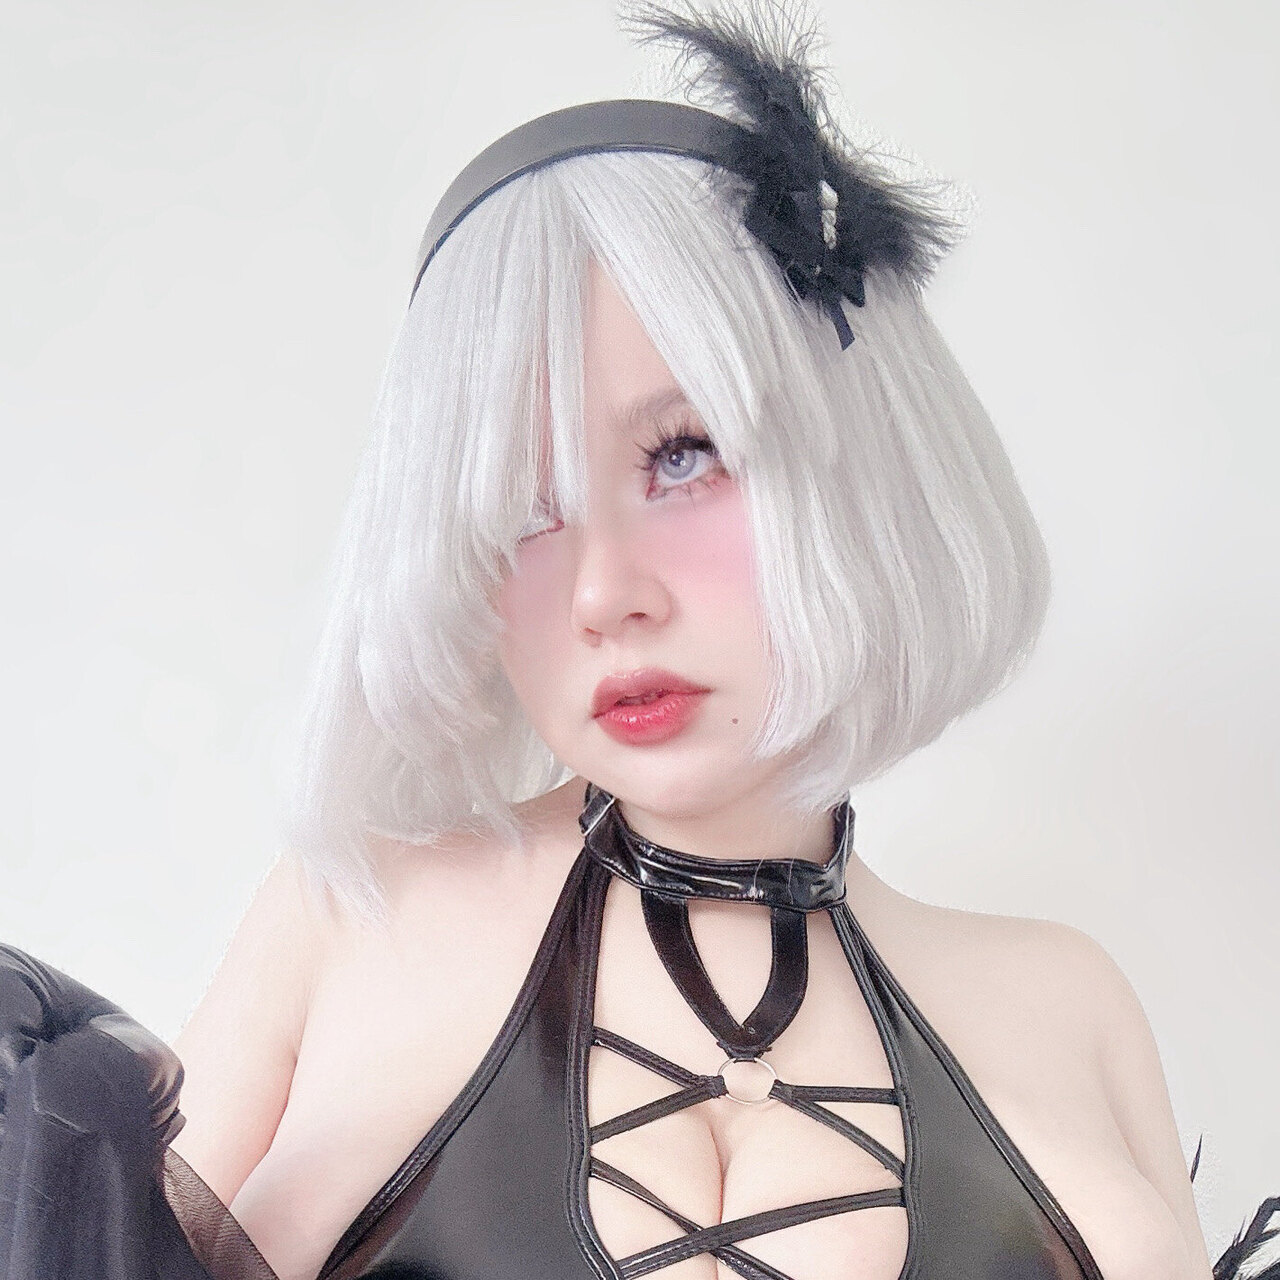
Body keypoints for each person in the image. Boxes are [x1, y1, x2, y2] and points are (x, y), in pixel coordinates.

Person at [0, 4, 1274, 1279]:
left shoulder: (1061, 1005)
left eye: (682, 454)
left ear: (860, 464)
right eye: (520, 508)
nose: (603, 591)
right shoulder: (353, 916)